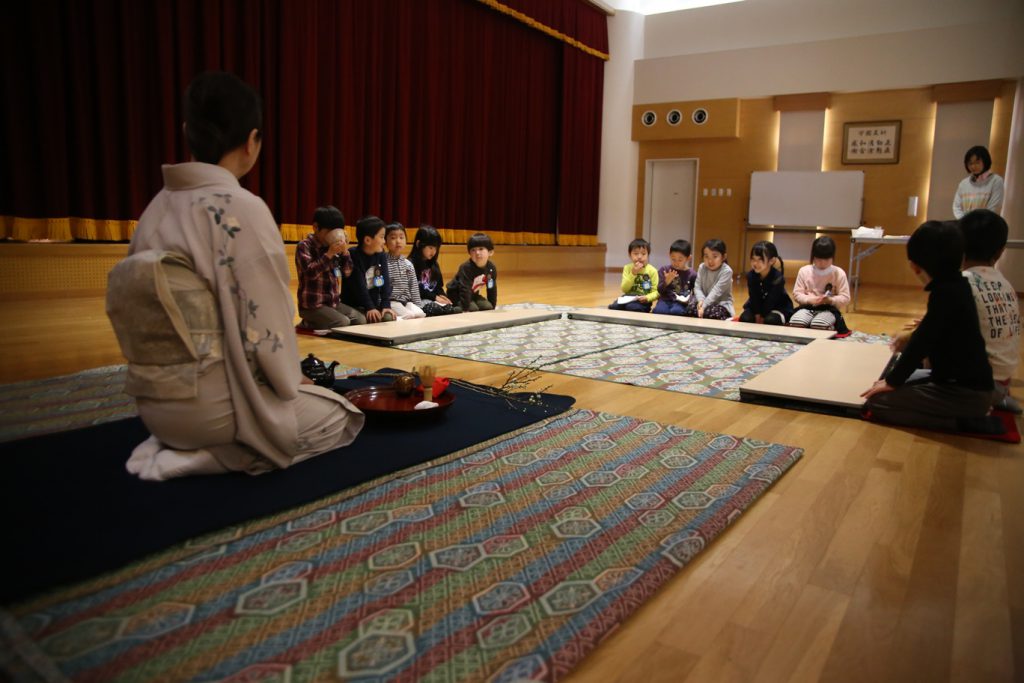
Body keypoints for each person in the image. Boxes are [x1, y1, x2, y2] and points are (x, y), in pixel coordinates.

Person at [105, 71, 364, 480]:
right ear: (251, 141)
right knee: (341, 417)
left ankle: (180, 443)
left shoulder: (153, 210)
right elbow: (268, 325)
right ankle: (217, 456)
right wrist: (294, 381)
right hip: (218, 411)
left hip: (153, 407)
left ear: (187, 132)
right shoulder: (241, 208)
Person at [860, 220, 995, 432]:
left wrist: (893, 382)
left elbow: (923, 342)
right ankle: (969, 413)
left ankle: (962, 422)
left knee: (878, 402)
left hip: (964, 393)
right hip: (962, 384)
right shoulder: (958, 285)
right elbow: (927, 334)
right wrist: (893, 378)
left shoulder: (945, 294)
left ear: (915, 267)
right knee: (882, 381)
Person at [960, 209, 1021, 413]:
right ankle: (997, 399)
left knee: (884, 398)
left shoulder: (961, 284)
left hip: (976, 385)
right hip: (1003, 382)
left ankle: (973, 411)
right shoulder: (1005, 284)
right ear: (1001, 251)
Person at [295, 205, 365, 330]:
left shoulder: (333, 246)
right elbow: (310, 274)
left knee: (361, 320)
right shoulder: (304, 246)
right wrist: (329, 255)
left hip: (333, 303)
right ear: (316, 227)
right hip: (312, 306)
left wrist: (345, 253)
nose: (334, 236)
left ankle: (320, 323)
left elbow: (347, 272)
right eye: (329, 232)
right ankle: (307, 323)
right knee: (342, 323)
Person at [789, 236, 851, 333]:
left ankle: (829, 328)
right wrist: (809, 300)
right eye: (818, 259)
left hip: (829, 310)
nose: (822, 263)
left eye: (826, 259)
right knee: (796, 322)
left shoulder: (838, 273)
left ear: (832, 257)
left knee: (819, 324)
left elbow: (845, 297)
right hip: (807, 307)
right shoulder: (804, 271)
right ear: (813, 256)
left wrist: (830, 300)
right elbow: (797, 294)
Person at [342, 216, 395, 323]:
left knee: (388, 318)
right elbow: (359, 286)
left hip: (372, 304)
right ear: (367, 240)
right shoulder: (353, 255)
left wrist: (386, 305)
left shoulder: (381, 254)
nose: (384, 241)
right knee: (364, 321)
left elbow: (385, 281)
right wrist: (369, 307)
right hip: (355, 304)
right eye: (382, 237)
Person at [409, 224, 460, 316]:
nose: (433, 252)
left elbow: (438, 287)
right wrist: (435, 297)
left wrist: (443, 297)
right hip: (418, 301)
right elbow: (415, 290)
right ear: (418, 244)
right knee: (434, 309)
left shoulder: (434, 265)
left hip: (432, 299)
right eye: (430, 247)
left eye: (436, 248)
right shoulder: (410, 264)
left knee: (450, 308)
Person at [739, 240, 792, 325]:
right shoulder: (751, 275)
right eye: (753, 259)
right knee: (745, 319)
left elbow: (772, 300)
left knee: (770, 320)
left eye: (760, 259)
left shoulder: (778, 277)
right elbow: (754, 297)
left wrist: (762, 317)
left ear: (772, 261)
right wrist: (757, 315)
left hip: (777, 307)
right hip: (756, 306)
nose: (755, 263)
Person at [384, 222, 426, 319]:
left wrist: (417, 305)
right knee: (409, 315)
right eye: (393, 238)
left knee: (420, 314)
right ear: (385, 241)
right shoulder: (383, 263)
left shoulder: (408, 264)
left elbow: (414, 287)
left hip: (406, 302)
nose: (398, 241)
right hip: (392, 302)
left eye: (401, 237)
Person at [447, 232, 498, 311]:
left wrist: (492, 306)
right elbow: (465, 289)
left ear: (490, 252)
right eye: (473, 250)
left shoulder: (491, 269)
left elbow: (491, 287)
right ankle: (455, 307)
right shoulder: (466, 268)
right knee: (473, 309)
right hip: (456, 295)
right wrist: (466, 309)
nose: (477, 253)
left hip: (472, 294)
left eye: (481, 249)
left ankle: (472, 303)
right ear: (469, 253)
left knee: (488, 307)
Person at [684, 239, 734, 320]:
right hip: (703, 302)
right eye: (706, 256)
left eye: (715, 256)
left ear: (723, 257)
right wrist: (701, 301)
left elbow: (716, 292)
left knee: (711, 314)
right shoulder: (702, 267)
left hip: (721, 304)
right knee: (688, 310)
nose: (710, 261)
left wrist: (703, 306)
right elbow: (697, 287)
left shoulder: (727, 271)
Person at [608, 238, 659, 312]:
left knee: (633, 307)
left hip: (643, 299)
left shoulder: (653, 271)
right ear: (630, 255)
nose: (639, 257)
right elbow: (624, 289)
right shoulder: (627, 268)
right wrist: (633, 273)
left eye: (643, 254)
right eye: (636, 254)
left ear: (648, 255)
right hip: (628, 297)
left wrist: (647, 297)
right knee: (614, 306)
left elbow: (656, 292)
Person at [953, 145, 1004, 219]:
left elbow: (993, 208)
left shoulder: (996, 181)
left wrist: (976, 223)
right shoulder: (963, 184)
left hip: (987, 224)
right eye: (970, 163)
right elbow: (956, 207)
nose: (973, 166)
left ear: (985, 161)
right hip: (964, 224)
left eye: (977, 162)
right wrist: (964, 222)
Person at [652, 239, 696, 316]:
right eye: (673, 259)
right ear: (669, 255)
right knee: (659, 311)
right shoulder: (664, 270)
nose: (676, 263)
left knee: (677, 311)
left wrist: (690, 300)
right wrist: (666, 282)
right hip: (665, 300)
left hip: (681, 302)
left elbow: (695, 293)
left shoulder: (692, 274)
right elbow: (659, 290)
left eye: (680, 260)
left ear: (688, 258)